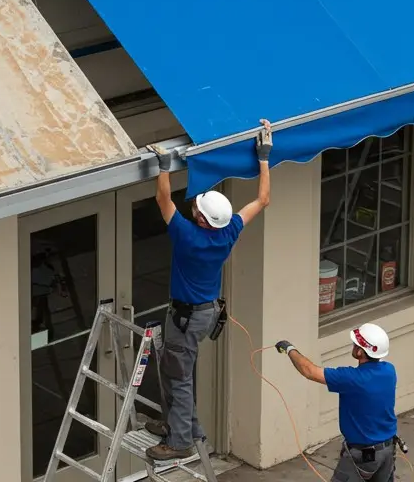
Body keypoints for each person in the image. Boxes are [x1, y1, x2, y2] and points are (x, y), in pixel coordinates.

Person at [142, 120, 273, 463]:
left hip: (186, 318)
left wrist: (164, 165)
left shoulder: (188, 237)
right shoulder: (227, 231)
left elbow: (162, 198)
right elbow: (263, 199)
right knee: (176, 370)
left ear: (202, 219)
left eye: (197, 208)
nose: (194, 208)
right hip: (205, 313)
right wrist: (264, 156)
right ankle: (177, 425)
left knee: (179, 376)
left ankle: (180, 440)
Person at [273, 323, 398, 482]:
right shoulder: (389, 371)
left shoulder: (352, 379)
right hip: (387, 450)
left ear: (360, 351)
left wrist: (289, 348)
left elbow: (309, 371)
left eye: (356, 344)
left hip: (364, 456)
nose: (353, 345)